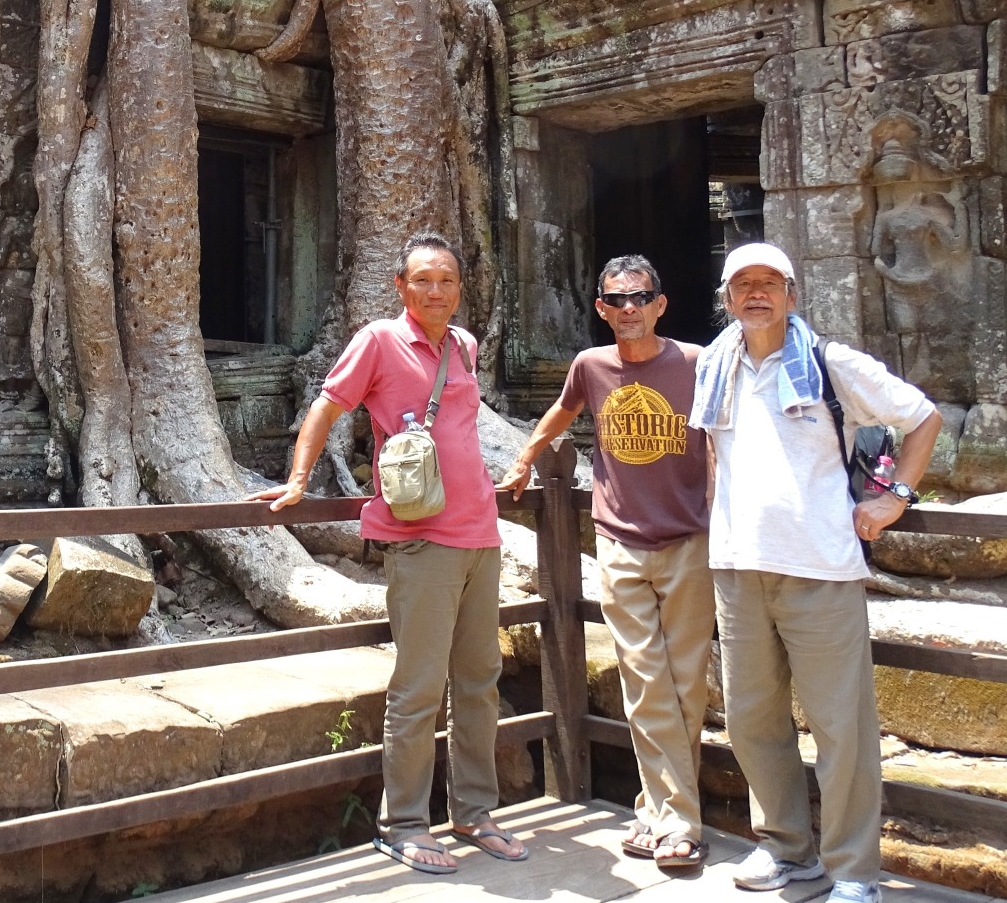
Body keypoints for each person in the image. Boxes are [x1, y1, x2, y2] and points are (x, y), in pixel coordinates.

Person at [252, 232, 526, 873]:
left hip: (481, 533)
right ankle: (403, 822)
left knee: (480, 680)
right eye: (424, 280)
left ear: (461, 290)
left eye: (448, 281)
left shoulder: (463, 345)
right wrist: (298, 480)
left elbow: (463, 427)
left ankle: (474, 810)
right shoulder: (378, 339)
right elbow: (328, 405)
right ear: (401, 287)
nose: (437, 291)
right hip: (420, 539)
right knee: (419, 686)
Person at [697, 243, 941, 902]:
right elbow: (715, 456)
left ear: (791, 295)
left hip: (821, 568)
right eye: (742, 284)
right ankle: (785, 847)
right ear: (726, 298)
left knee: (842, 728)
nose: (755, 294)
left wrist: (898, 498)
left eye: (768, 283)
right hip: (739, 567)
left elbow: (921, 417)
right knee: (751, 719)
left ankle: (856, 871)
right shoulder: (716, 366)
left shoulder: (831, 363)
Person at [502, 255, 710, 869]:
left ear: (660, 304)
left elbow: (728, 433)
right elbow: (561, 413)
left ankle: (656, 808)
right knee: (643, 680)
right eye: (616, 300)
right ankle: (681, 823)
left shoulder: (698, 363)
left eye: (640, 297)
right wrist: (524, 459)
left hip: (689, 541)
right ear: (600, 308)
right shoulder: (591, 366)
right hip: (619, 541)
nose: (629, 309)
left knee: (685, 683)